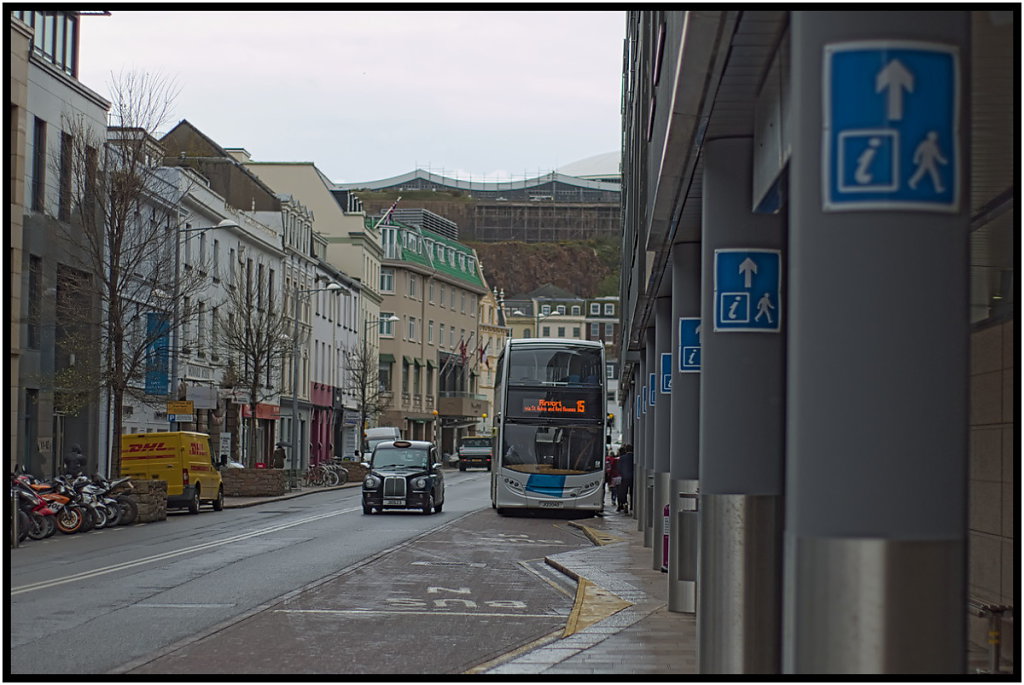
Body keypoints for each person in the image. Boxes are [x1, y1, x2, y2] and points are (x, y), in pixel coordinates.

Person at [616, 444, 634, 513]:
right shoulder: (635, 457)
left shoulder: (622, 458)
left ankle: (625, 503)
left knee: (623, 492)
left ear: (626, 450)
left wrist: (622, 474)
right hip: (633, 477)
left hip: (624, 477)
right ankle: (632, 505)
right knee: (632, 492)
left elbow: (619, 468)